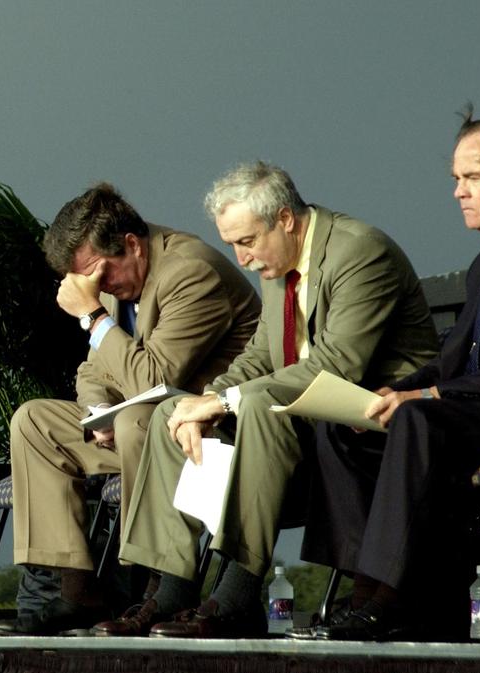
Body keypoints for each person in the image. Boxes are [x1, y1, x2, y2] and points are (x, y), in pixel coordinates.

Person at [106, 161, 439, 638]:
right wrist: (207, 399)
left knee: (256, 408)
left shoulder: (359, 252)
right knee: (169, 413)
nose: (242, 259)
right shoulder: (277, 259)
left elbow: (336, 363)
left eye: (246, 241)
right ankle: (168, 591)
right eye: (232, 244)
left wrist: (225, 402)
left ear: (284, 219)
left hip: (374, 414)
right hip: (304, 412)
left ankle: (239, 592)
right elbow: (261, 354)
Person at [297, 108, 480, 641]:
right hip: (469, 412)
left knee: (417, 422)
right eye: (456, 179)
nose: (459, 191)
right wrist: (398, 390)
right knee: (343, 427)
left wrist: (429, 394)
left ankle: (386, 600)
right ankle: (364, 591)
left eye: (474, 178)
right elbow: (453, 359)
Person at [0, 183, 261, 636]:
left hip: (215, 430)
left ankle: (156, 589)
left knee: (139, 418)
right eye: (87, 283)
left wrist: (93, 316)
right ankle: (78, 594)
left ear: (132, 245)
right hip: (147, 431)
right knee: (35, 421)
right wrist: (97, 410)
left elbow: (154, 377)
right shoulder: (117, 280)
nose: (98, 287)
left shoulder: (190, 272)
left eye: (100, 275)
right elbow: (94, 371)